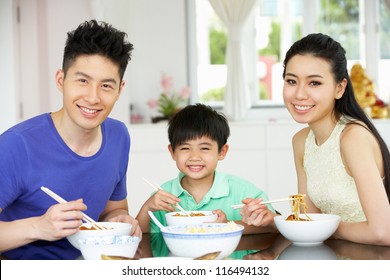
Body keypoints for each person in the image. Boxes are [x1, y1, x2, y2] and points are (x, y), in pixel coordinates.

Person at [0, 20, 141, 260]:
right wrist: (38, 226)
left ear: (119, 89)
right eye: (82, 81)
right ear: (60, 80)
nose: (93, 97)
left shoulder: (118, 137)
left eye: (106, 85)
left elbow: (114, 209)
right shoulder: (16, 145)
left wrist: (118, 220)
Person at [241, 33, 390, 246]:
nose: (299, 94)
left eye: (314, 83)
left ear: (339, 88)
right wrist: (272, 221)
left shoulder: (352, 137)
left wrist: (329, 228)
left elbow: (383, 232)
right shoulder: (301, 141)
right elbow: (309, 220)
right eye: (291, 81)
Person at [136, 103, 278, 235]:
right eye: (185, 148)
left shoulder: (244, 192)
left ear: (222, 151)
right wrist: (147, 208)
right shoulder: (163, 196)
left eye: (204, 148)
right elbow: (141, 236)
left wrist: (229, 225)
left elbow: (275, 226)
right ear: (172, 152)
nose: (195, 156)